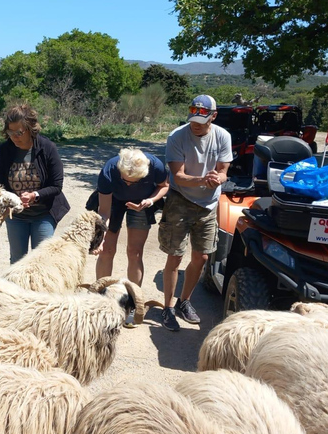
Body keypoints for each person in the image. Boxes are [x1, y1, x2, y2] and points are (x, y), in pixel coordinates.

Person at [158, 95, 233, 331]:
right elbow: (178, 176)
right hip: (180, 199)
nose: (196, 124)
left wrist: (217, 179)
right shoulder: (177, 136)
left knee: (201, 257)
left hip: (209, 204)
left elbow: (223, 171)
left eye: (201, 119)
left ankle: (184, 301)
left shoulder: (223, 136)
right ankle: (167, 307)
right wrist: (203, 179)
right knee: (175, 256)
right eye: (193, 119)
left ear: (214, 116)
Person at [92, 148, 168, 325]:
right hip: (114, 202)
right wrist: (100, 239)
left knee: (135, 252)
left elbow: (164, 186)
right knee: (106, 250)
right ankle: (100, 300)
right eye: (125, 180)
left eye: (133, 182)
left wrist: (150, 200)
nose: (128, 184)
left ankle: (133, 303)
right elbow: (104, 211)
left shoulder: (155, 166)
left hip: (143, 202)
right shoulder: (109, 171)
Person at [0, 103, 70, 264]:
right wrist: (13, 200)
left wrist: (35, 195)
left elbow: (56, 185)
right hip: (15, 215)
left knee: (40, 262)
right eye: (10, 132)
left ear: (30, 128)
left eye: (19, 132)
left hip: (44, 214)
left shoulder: (47, 148)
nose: (14, 137)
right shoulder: (3, 151)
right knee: (17, 260)